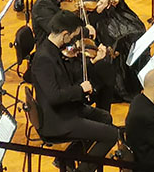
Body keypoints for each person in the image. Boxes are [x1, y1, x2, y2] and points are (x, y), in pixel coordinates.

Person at [30, 10, 119, 171]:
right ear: (65, 34)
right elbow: (54, 96)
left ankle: (66, 159)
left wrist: (93, 62)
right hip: (56, 120)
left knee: (105, 117)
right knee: (111, 135)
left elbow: (69, 77)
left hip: (67, 109)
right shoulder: (44, 59)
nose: (73, 40)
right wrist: (80, 89)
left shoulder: (54, 50)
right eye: (73, 36)